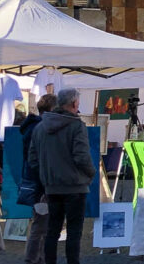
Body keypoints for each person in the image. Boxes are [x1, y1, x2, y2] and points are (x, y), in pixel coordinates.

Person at [28, 88, 97, 264]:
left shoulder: (40, 127)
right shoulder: (76, 125)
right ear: (74, 104)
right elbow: (82, 156)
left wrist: (46, 177)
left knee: (52, 231)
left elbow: (33, 160)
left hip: (52, 187)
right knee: (74, 233)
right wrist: (91, 173)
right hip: (75, 186)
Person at [20, 94, 57, 264]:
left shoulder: (33, 128)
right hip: (41, 185)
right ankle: (32, 259)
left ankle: (38, 259)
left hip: (38, 184)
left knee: (42, 225)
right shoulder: (39, 129)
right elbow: (37, 162)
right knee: (40, 226)